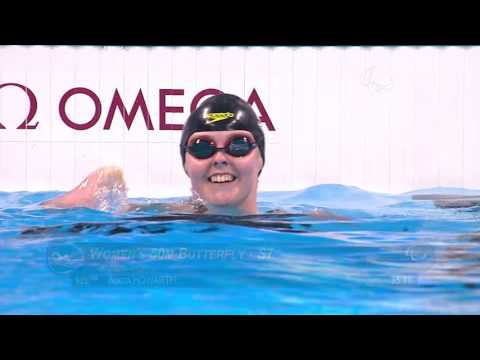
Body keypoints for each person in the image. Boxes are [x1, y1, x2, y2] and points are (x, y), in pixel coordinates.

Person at [41, 93, 347, 220]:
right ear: (187, 164)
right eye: (202, 147)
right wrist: (94, 197)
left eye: (238, 145)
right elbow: (39, 229)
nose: (220, 157)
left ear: (260, 159)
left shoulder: (307, 224)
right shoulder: (156, 223)